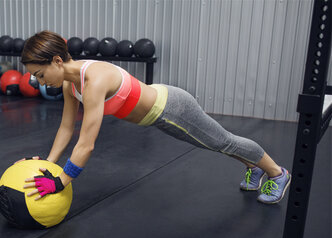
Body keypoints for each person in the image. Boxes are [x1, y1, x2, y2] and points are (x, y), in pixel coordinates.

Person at [19, 30, 291, 205]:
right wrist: (49, 164)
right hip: (159, 113)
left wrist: (61, 181)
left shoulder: (93, 80)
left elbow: (86, 142)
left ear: (56, 61)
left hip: (172, 109)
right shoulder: (69, 85)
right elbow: (66, 128)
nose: (40, 82)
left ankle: (277, 173)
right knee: (214, 143)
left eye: (40, 75)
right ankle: (254, 169)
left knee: (224, 141)